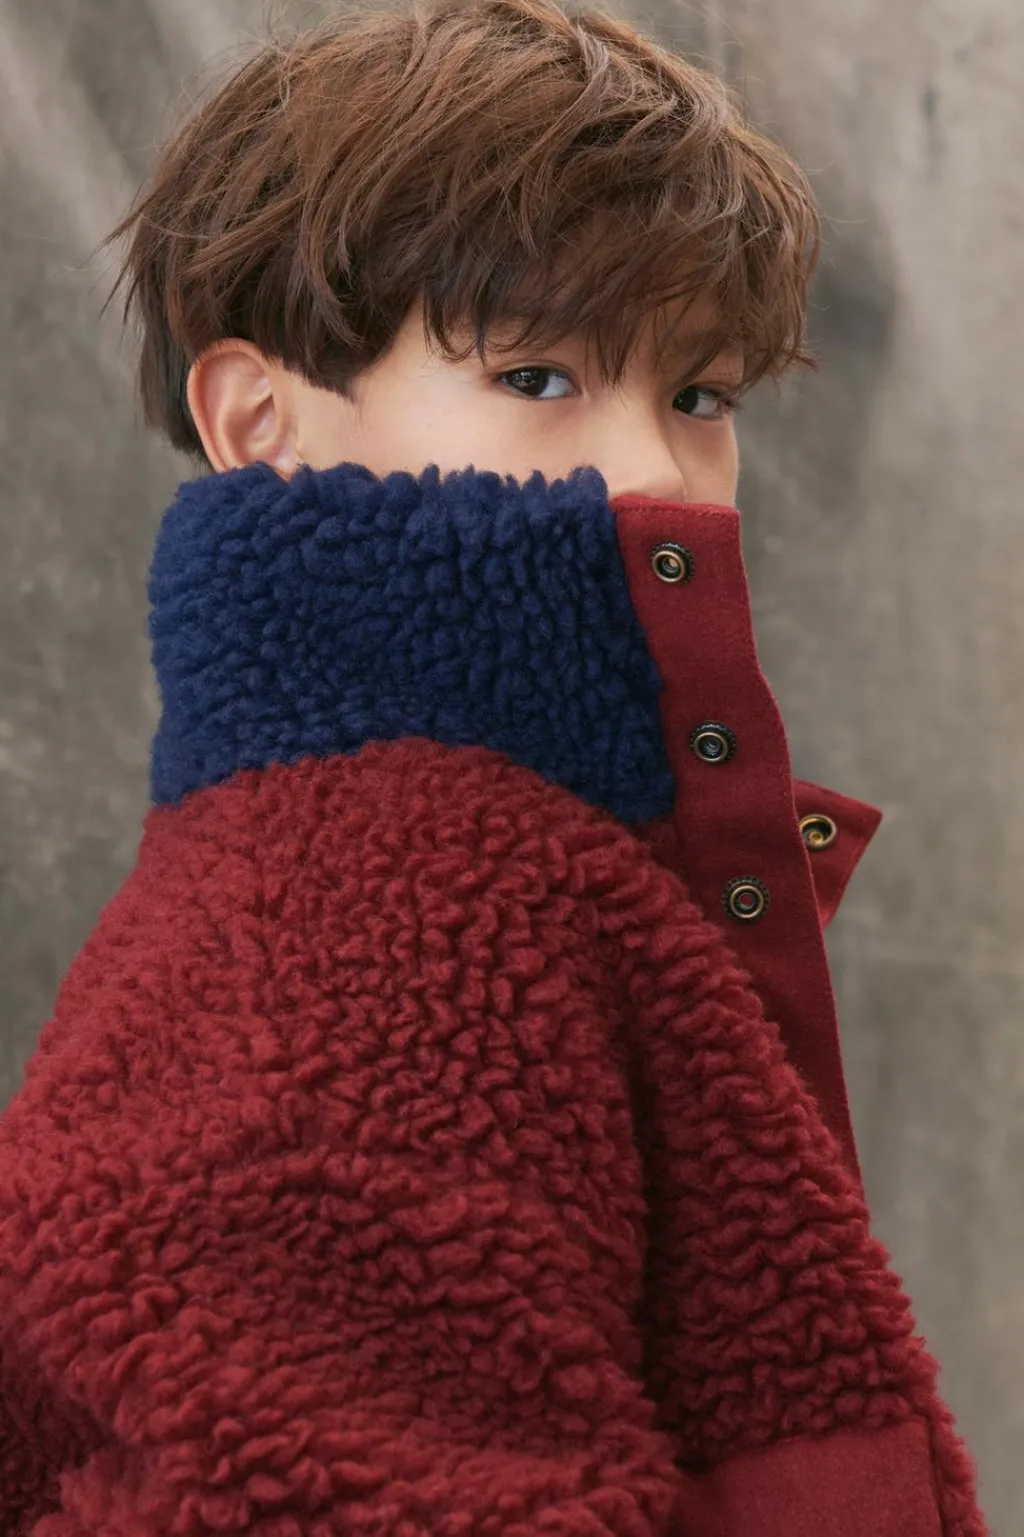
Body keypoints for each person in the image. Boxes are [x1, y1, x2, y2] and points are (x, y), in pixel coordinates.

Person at [0, 0, 987, 1532]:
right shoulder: (383, 900)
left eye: (700, 395)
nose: (654, 470)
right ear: (258, 419)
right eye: (537, 378)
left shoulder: (483, 860)